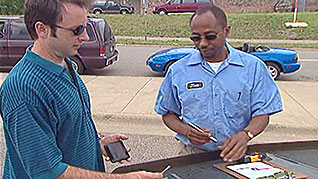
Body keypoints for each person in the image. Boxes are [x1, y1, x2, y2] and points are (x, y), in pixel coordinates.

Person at [0, 0, 162, 178]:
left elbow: (68, 128)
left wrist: (97, 144)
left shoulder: (65, 63)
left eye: (85, 26)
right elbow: (48, 172)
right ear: (42, 29)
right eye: (76, 30)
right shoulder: (23, 89)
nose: (85, 36)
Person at [155, 5, 283, 162]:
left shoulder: (253, 68)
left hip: (237, 155)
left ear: (226, 31)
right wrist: (187, 131)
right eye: (196, 38)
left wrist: (245, 135)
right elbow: (167, 113)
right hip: (192, 155)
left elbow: (263, 113)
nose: (202, 43)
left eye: (210, 36)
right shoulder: (178, 71)